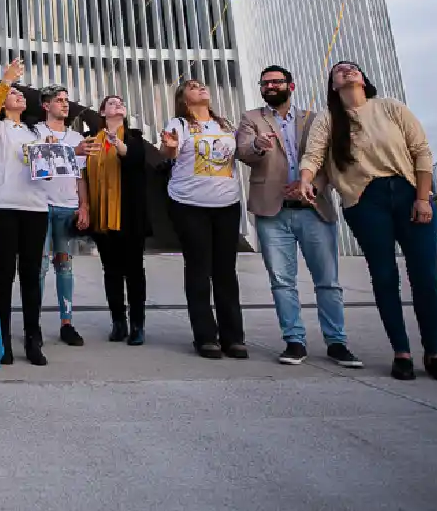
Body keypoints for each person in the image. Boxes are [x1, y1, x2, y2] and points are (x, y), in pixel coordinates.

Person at [297, 62, 437, 384]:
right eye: (338, 71)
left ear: (363, 79)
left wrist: (423, 199)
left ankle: (435, 353)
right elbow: (313, 155)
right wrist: (305, 180)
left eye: (351, 68)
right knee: (384, 277)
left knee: (425, 277)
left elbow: (421, 152)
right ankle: (402, 353)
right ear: (332, 84)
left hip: (409, 193)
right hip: (364, 202)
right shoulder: (329, 120)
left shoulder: (391, 108)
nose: (346, 71)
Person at [236, 65, 362, 368]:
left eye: (276, 82)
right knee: (281, 281)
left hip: (313, 208)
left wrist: (312, 187)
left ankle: (337, 342)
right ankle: (294, 341)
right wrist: (257, 145)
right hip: (272, 210)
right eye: (265, 83)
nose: (270, 86)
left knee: (328, 281)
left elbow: (329, 159)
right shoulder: (252, 118)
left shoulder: (316, 119)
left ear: (290, 86)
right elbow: (242, 151)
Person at [160, 79, 246, 359]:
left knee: (225, 270)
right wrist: (170, 147)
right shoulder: (179, 124)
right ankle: (205, 336)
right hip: (189, 204)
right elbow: (168, 152)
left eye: (202, 86)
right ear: (184, 98)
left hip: (227, 203)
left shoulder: (225, 124)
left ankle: (233, 337)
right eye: (193, 87)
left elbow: (239, 155)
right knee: (199, 268)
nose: (201, 89)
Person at [0, 59, 49, 366]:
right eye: (13, 93)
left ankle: (33, 339)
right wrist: (5, 81)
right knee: (4, 276)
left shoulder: (36, 132)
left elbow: (47, 167)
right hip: (3, 206)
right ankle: (3, 340)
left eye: (21, 93)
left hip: (35, 207)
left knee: (31, 276)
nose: (19, 96)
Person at [77, 95, 151, 345]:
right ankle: (118, 321)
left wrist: (117, 144)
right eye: (111, 103)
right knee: (111, 270)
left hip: (129, 215)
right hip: (102, 215)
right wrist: (84, 206)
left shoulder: (135, 137)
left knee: (134, 271)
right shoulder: (90, 141)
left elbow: (134, 161)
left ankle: (138, 324)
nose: (118, 104)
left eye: (121, 102)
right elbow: (83, 175)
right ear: (102, 112)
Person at [36, 84, 100, 348]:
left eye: (66, 100)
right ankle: (34, 323)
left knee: (65, 265)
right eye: (58, 100)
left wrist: (83, 205)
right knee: (38, 268)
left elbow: (80, 176)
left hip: (67, 205)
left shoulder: (76, 138)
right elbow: (37, 164)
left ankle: (67, 322)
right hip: (39, 205)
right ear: (46, 105)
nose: (65, 104)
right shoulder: (36, 132)